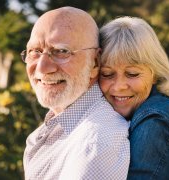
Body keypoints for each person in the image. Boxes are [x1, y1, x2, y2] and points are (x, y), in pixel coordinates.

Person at [21, 7, 130, 180]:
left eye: (61, 51)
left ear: (95, 62)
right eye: (35, 51)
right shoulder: (57, 130)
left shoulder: (95, 144)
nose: (42, 68)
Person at [99, 16, 169, 179]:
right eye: (107, 74)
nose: (119, 86)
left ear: (154, 73)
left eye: (132, 73)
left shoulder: (155, 122)